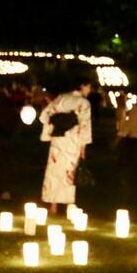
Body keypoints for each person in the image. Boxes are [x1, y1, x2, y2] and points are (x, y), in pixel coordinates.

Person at [39, 78, 93, 215]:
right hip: (73, 140)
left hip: (58, 138)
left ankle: (53, 205)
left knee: (54, 171)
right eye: (89, 87)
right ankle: (69, 204)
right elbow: (85, 124)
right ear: (83, 85)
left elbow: (45, 115)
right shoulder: (83, 102)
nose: (90, 90)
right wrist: (83, 145)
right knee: (69, 172)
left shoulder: (62, 98)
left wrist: (49, 131)